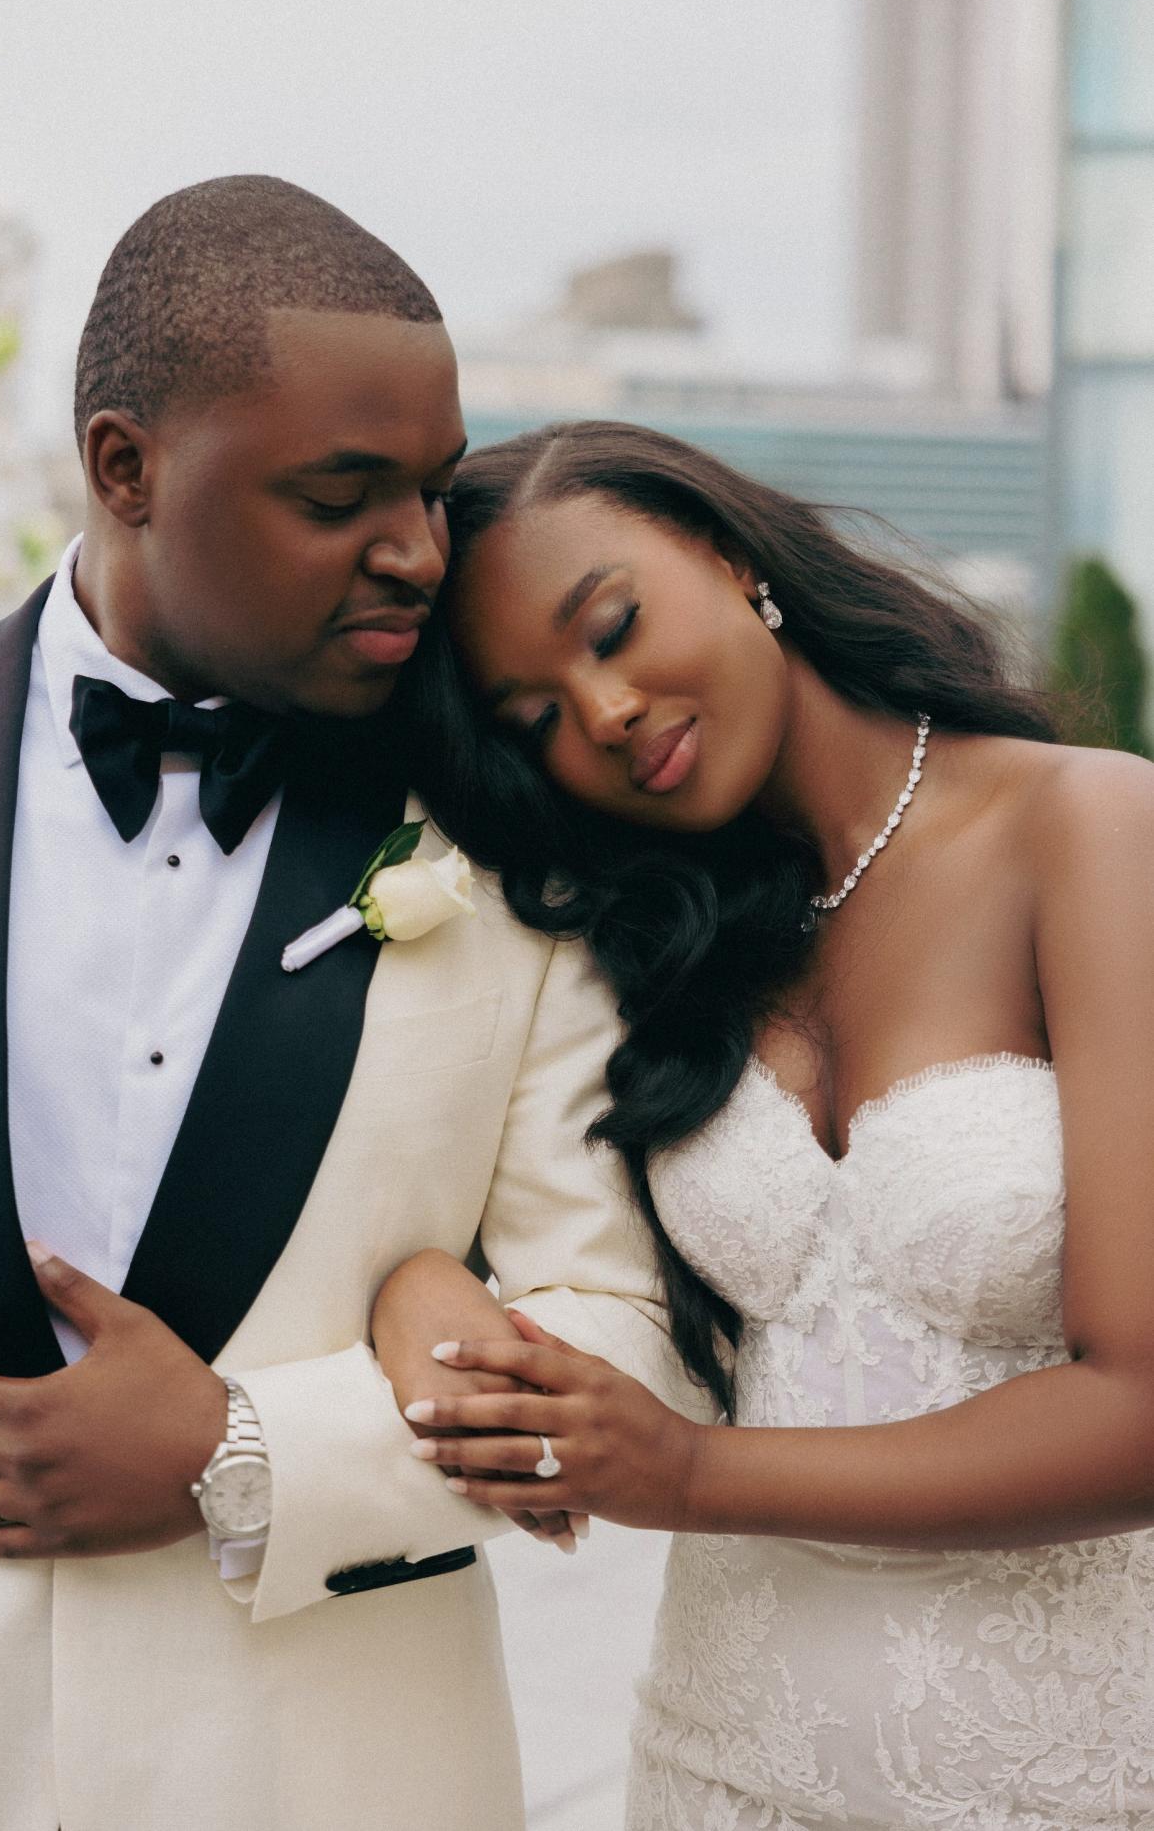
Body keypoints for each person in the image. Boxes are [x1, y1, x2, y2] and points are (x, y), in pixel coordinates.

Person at [0, 194, 697, 1831]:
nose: (418, 546)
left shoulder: (506, 822)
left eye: (430, 486)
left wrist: (239, 1447)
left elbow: (622, 1326)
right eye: (339, 497)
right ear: (123, 467)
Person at [378, 420, 1154, 1828]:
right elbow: (561, 1255)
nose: (601, 711)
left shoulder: (1086, 830)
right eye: (534, 717)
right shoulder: (655, 938)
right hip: (721, 1769)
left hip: (1067, 1782)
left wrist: (691, 1473)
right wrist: (428, 1284)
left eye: (610, 627)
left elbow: (1142, 1401)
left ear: (732, 557)